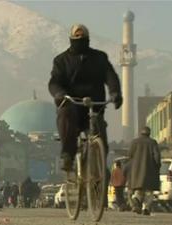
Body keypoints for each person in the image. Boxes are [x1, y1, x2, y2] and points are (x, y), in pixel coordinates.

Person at [48, 24, 122, 171]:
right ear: (71, 40)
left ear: (88, 40)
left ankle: (99, 173)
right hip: (72, 105)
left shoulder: (99, 58)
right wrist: (59, 94)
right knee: (65, 115)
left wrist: (115, 92)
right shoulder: (61, 61)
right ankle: (68, 156)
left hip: (94, 106)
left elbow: (110, 76)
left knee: (101, 139)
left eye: (83, 39)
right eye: (77, 38)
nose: (80, 42)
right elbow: (55, 81)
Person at [128, 127, 160, 216]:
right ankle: (146, 208)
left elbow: (129, 155)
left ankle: (136, 200)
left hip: (136, 171)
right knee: (149, 192)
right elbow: (157, 157)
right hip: (150, 170)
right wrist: (157, 166)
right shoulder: (153, 142)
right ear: (149, 133)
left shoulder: (134, 142)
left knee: (138, 189)